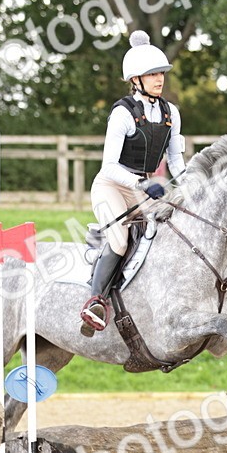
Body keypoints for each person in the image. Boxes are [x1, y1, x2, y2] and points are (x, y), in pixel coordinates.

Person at [80, 30, 187, 334]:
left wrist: (189, 186)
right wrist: (142, 185)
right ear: (136, 79)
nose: (159, 79)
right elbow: (109, 166)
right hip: (112, 186)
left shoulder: (171, 113)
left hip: (144, 189)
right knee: (120, 240)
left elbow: (176, 160)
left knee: (170, 231)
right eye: (152, 74)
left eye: (161, 73)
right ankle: (95, 301)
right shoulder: (122, 114)